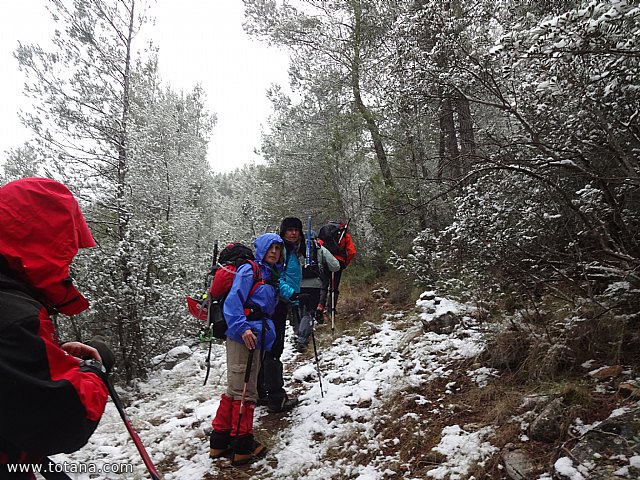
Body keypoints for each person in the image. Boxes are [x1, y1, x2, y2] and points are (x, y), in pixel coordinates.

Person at [0, 177, 115, 478]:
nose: (70, 261)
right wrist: (93, 370)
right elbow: (65, 419)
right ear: (42, 242)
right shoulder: (14, 314)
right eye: (67, 250)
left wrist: (46, 355)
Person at [209, 233, 283, 466]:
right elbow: (233, 302)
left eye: (278, 249)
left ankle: (220, 442)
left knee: (236, 390)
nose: (274, 252)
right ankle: (243, 446)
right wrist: (243, 329)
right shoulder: (250, 270)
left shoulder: (268, 273)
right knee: (245, 392)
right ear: (261, 249)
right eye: (270, 248)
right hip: (245, 337)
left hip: (255, 336)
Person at [257, 217, 304, 413]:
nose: (293, 233)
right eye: (289, 230)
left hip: (280, 302)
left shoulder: (293, 250)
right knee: (273, 349)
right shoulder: (280, 251)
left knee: (267, 350)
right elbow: (276, 279)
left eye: (296, 230)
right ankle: (276, 397)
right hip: (275, 303)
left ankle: (261, 392)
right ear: (283, 231)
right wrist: (292, 294)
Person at [295, 230, 340, 352]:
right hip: (315, 285)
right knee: (309, 313)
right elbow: (335, 266)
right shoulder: (319, 249)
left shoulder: (295, 250)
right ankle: (302, 339)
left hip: (297, 285)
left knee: (300, 311)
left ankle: (299, 333)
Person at [317, 220, 356, 316]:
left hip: (326, 261)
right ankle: (331, 309)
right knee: (334, 286)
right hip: (338, 261)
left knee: (324, 284)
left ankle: (320, 306)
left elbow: (319, 246)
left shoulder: (326, 233)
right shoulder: (344, 234)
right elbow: (352, 252)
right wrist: (345, 263)